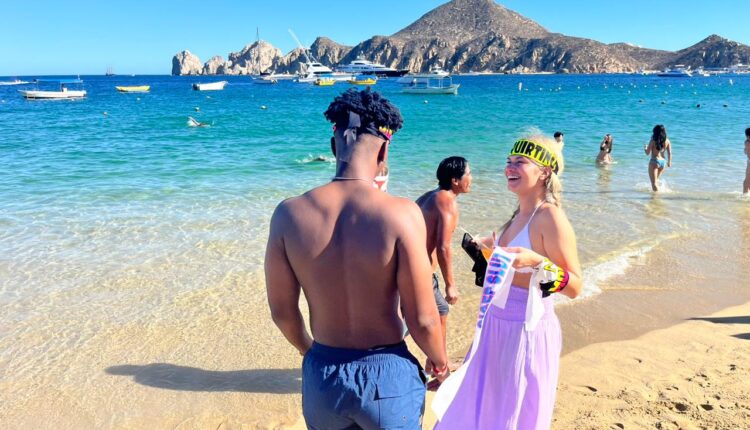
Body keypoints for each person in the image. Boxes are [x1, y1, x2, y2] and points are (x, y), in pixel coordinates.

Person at [264, 89, 449, 430]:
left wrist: (311, 352)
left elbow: (282, 313)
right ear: (384, 149)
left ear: (334, 146)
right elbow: (422, 318)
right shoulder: (401, 214)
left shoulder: (288, 215)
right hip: (386, 376)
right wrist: (439, 361)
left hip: (323, 374)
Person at [434, 134, 582, 430]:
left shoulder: (550, 217)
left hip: (526, 329)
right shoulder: (518, 215)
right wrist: (487, 246)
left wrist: (538, 263)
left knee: (511, 413)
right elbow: (512, 259)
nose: (510, 167)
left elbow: (575, 286)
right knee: (481, 407)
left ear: (545, 172)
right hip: (494, 323)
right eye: (508, 161)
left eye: (521, 162)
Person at [415, 156, 473, 371]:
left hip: (411, 269)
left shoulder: (429, 196)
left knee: (434, 313)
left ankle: (435, 363)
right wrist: (451, 284)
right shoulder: (447, 201)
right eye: (469, 174)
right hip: (420, 273)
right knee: (439, 312)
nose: (471, 179)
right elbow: (443, 247)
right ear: (455, 180)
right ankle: (440, 366)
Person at [644, 124, 672, 191]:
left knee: (654, 184)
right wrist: (669, 162)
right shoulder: (667, 141)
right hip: (663, 162)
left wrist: (645, 148)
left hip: (654, 161)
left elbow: (647, 153)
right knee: (655, 181)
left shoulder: (653, 140)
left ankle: (656, 199)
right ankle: (658, 193)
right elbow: (669, 153)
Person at [744, 127, 750, 194]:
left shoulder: (747, 142)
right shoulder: (747, 142)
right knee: (747, 180)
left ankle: (745, 195)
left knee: (746, 181)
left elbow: (745, 152)